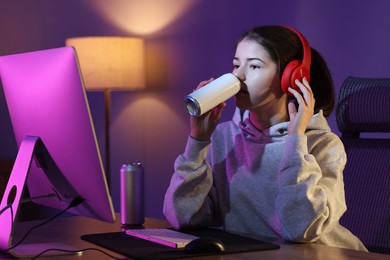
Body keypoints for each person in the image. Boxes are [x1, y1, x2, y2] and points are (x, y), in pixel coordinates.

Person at [163, 25, 367, 251]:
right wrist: (197, 143)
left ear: (290, 78)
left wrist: (295, 142)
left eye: (254, 66)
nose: (238, 76)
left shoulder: (322, 145)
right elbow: (184, 218)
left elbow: (301, 230)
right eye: (236, 64)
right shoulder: (223, 138)